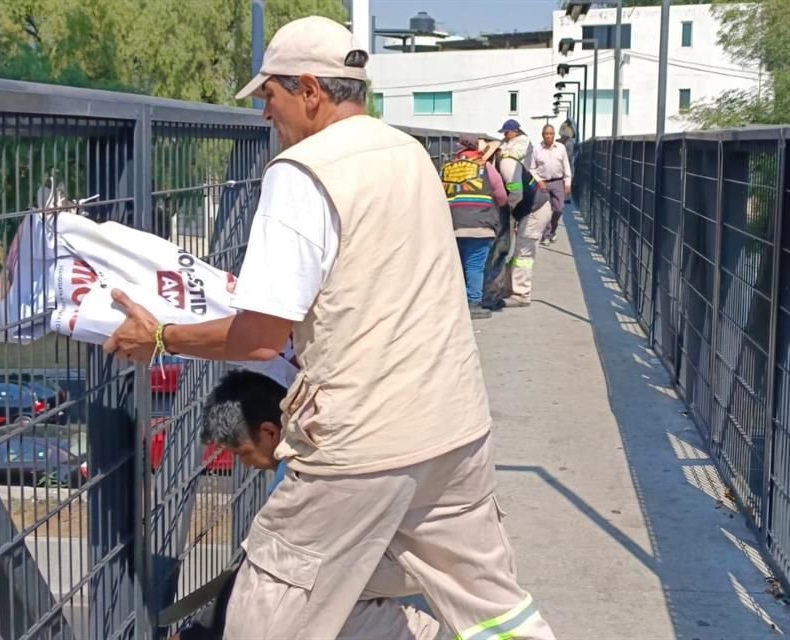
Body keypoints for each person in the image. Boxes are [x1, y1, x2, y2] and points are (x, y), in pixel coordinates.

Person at [104, 15, 555, 640]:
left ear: (311, 90)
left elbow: (262, 335)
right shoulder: (412, 154)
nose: (267, 114)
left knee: (263, 617)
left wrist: (160, 336)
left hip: (364, 444)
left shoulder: (303, 173)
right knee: (493, 608)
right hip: (455, 425)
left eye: (270, 95)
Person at [172, 369, 440, 640]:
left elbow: (271, 574)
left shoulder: (297, 479)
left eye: (242, 453)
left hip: (401, 564)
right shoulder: (315, 440)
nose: (245, 464)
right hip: (418, 547)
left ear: (269, 431)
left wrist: (200, 633)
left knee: (295, 603)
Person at [440, 133, 508, 319]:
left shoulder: (447, 168)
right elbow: (501, 195)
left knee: (458, 265)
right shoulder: (484, 167)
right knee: (475, 265)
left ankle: (457, 302)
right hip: (480, 223)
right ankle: (473, 303)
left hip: (452, 223)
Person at [496, 119, 552, 308]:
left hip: (535, 209)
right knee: (519, 249)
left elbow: (516, 193)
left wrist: (508, 212)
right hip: (534, 207)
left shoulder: (505, 164)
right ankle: (509, 289)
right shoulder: (509, 159)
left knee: (523, 253)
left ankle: (521, 294)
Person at [529, 124, 572, 246]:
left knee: (559, 209)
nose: (548, 136)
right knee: (546, 211)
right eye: (546, 134)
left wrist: (567, 183)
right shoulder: (537, 149)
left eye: (551, 134)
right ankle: (546, 235)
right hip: (543, 183)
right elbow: (532, 169)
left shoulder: (561, 148)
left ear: (554, 135)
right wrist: (539, 181)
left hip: (558, 182)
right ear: (542, 135)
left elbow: (566, 166)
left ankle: (552, 230)